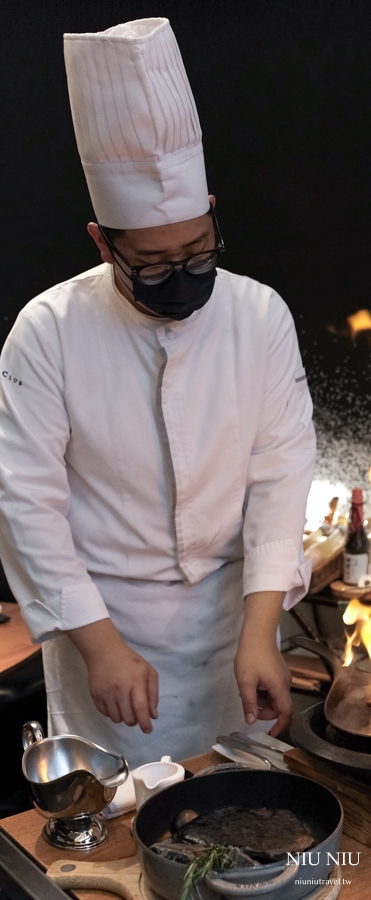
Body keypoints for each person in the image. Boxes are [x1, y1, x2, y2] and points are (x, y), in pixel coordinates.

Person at [0, 17, 316, 767]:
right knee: (126, 814)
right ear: (101, 241)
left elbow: (279, 477)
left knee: (241, 809)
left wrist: (261, 631)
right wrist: (100, 646)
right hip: (104, 628)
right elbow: (26, 504)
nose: (181, 274)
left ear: (210, 211)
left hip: (230, 624)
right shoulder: (47, 330)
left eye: (198, 250)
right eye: (151, 262)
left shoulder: (258, 314)